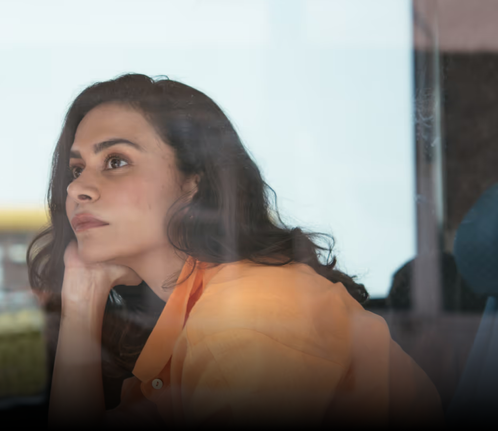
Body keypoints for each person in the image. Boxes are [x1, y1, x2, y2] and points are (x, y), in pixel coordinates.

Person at [27, 74, 444, 428]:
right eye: (77, 168)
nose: (76, 187)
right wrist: (82, 302)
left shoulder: (245, 314)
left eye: (116, 161)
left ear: (194, 182)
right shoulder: (201, 309)